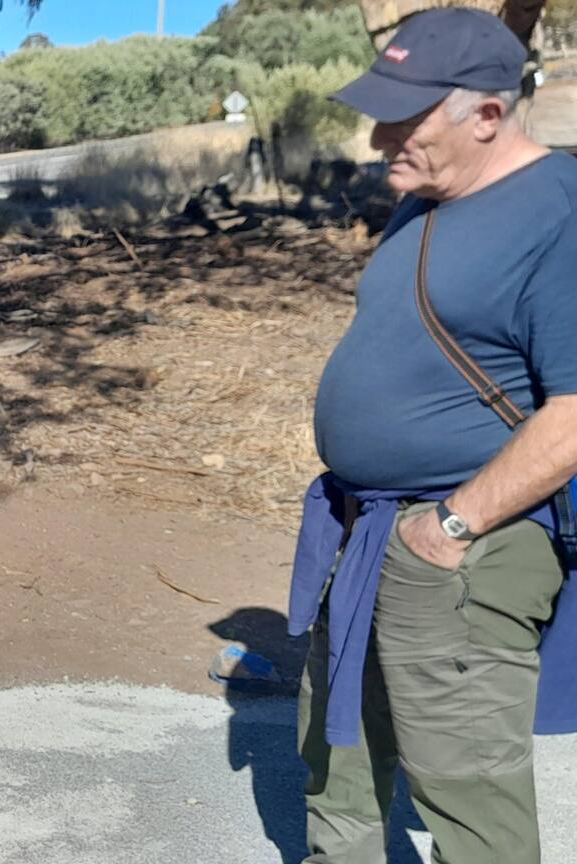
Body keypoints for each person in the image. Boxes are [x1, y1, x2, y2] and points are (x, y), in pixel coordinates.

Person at [290, 9, 577, 864]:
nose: (378, 137)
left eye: (402, 117)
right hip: (366, 529)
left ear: (486, 114)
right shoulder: (424, 202)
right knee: (335, 761)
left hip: (460, 546)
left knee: (468, 797)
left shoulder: (558, 215)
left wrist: (449, 527)